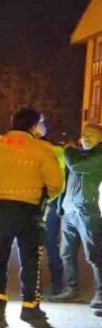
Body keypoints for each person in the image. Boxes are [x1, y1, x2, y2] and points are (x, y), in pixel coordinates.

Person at [0, 108, 64, 322]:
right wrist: (42, 197)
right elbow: (56, 184)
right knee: (30, 258)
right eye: (40, 123)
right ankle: (29, 306)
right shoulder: (43, 149)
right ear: (34, 126)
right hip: (29, 210)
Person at [52, 123, 102, 308]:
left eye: (91, 134)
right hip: (70, 211)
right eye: (84, 134)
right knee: (66, 253)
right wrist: (61, 205)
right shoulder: (80, 154)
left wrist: (67, 149)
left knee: (95, 254)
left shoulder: (97, 155)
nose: (86, 137)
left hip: (89, 211)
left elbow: (75, 165)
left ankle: (100, 293)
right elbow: (66, 180)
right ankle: (71, 290)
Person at [39, 130, 68, 296]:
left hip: (49, 204)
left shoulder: (57, 153)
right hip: (36, 204)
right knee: (38, 246)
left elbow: (61, 180)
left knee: (49, 244)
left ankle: (57, 281)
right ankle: (35, 283)